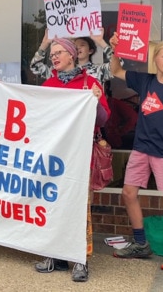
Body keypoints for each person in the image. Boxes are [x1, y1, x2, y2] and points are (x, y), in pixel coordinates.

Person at [109, 40, 163, 272]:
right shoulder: (145, 80)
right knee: (128, 193)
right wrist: (116, 48)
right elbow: (115, 70)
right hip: (141, 148)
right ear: (155, 58)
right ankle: (140, 244)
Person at [33, 38, 110, 282]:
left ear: (71, 56)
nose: (53, 57)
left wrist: (96, 100)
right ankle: (54, 255)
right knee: (52, 205)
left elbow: (104, 120)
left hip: (80, 157)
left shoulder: (90, 82)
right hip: (54, 157)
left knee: (78, 210)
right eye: (52, 53)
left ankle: (80, 259)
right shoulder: (48, 84)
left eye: (58, 53)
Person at [30, 28, 114, 84]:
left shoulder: (99, 70)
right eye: (75, 46)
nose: (78, 47)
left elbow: (117, 65)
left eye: (82, 45)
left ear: (90, 50)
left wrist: (101, 42)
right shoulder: (56, 71)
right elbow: (35, 67)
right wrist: (45, 44)